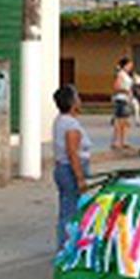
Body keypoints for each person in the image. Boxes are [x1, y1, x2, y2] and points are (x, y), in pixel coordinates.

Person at [52, 85, 91, 250]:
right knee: (70, 211)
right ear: (72, 102)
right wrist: (80, 178)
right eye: (78, 98)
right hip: (70, 169)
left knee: (65, 208)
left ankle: (65, 243)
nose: (80, 101)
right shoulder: (71, 125)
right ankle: (66, 246)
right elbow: (72, 152)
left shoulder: (60, 120)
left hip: (62, 168)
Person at [111, 57, 134, 150]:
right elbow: (116, 87)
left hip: (126, 99)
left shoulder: (127, 75)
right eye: (129, 65)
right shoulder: (121, 74)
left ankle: (123, 141)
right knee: (119, 121)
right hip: (121, 99)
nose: (131, 67)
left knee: (125, 122)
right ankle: (117, 141)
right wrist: (125, 91)